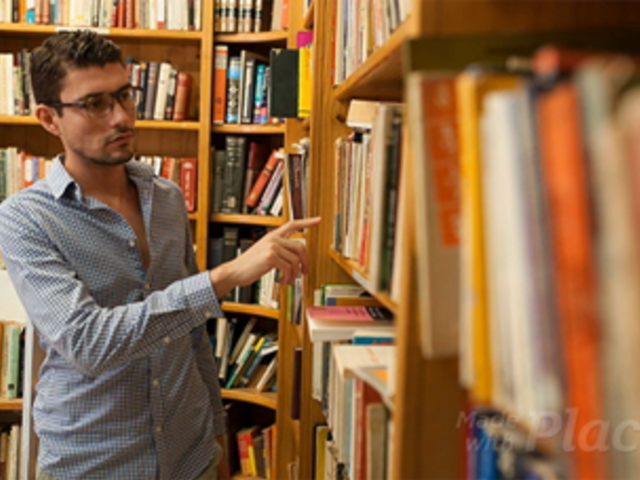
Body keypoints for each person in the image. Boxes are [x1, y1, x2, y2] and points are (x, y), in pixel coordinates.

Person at [0, 31, 319, 480]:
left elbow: (192, 334)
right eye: (94, 104)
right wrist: (223, 276)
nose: (121, 117)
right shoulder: (23, 219)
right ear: (49, 118)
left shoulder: (165, 197)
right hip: (97, 465)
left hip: (192, 456)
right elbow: (88, 344)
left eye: (125, 95)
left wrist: (216, 434)